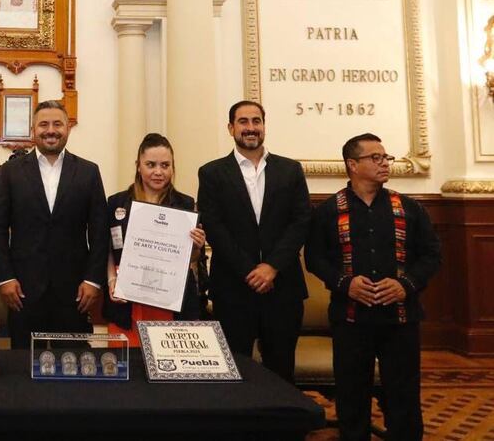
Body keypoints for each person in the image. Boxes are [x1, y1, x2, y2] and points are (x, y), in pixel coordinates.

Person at [306, 134, 441, 441]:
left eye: (385, 157)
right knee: (352, 397)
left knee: (403, 396)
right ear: (352, 165)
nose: (384, 163)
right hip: (351, 318)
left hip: (401, 318)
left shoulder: (409, 208)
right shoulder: (328, 211)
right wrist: (345, 283)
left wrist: (405, 284)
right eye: (375, 158)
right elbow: (315, 258)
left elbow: (432, 255)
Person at [197, 100, 310, 382]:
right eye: (243, 122)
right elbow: (214, 227)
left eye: (256, 121)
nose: (251, 128)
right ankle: (240, 427)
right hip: (233, 288)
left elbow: (301, 222)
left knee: (281, 370)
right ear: (231, 128)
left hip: (282, 287)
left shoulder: (290, 170)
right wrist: (251, 271)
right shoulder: (211, 173)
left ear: (264, 126)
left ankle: (282, 426)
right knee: (236, 370)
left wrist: (271, 267)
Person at [0, 100, 110, 348]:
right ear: (33, 130)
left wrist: (93, 280)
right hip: (22, 290)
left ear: (68, 129)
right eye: (43, 124)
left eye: (58, 124)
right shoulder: (10, 172)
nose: (51, 130)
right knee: (23, 367)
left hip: (75, 291)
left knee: (72, 366)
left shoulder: (89, 172)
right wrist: (4, 278)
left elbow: (99, 231)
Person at [103, 133, 206, 346]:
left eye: (165, 165)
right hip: (126, 302)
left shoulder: (185, 205)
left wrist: (196, 245)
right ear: (138, 166)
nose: (158, 172)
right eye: (151, 164)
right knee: (126, 370)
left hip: (170, 302)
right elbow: (107, 249)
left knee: (169, 369)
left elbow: (193, 259)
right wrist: (112, 280)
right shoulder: (116, 203)